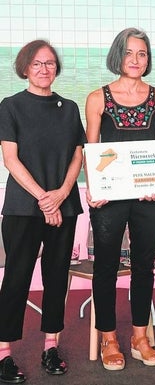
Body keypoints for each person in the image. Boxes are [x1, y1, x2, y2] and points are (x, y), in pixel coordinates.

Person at [84, 28, 155, 370]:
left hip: (149, 195)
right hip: (109, 198)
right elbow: (91, 150)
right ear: (117, 55)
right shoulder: (97, 98)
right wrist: (97, 188)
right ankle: (108, 337)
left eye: (142, 54)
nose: (136, 60)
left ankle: (139, 336)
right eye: (130, 53)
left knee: (143, 267)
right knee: (105, 266)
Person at [0, 40, 85, 382]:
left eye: (49, 63)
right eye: (36, 63)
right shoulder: (10, 106)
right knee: (17, 278)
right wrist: (43, 198)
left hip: (64, 206)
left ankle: (51, 346)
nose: (44, 69)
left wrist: (62, 194)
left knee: (55, 278)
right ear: (24, 68)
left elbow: (78, 155)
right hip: (24, 207)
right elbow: (10, 158)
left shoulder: (69, 108)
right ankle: (4, 354)